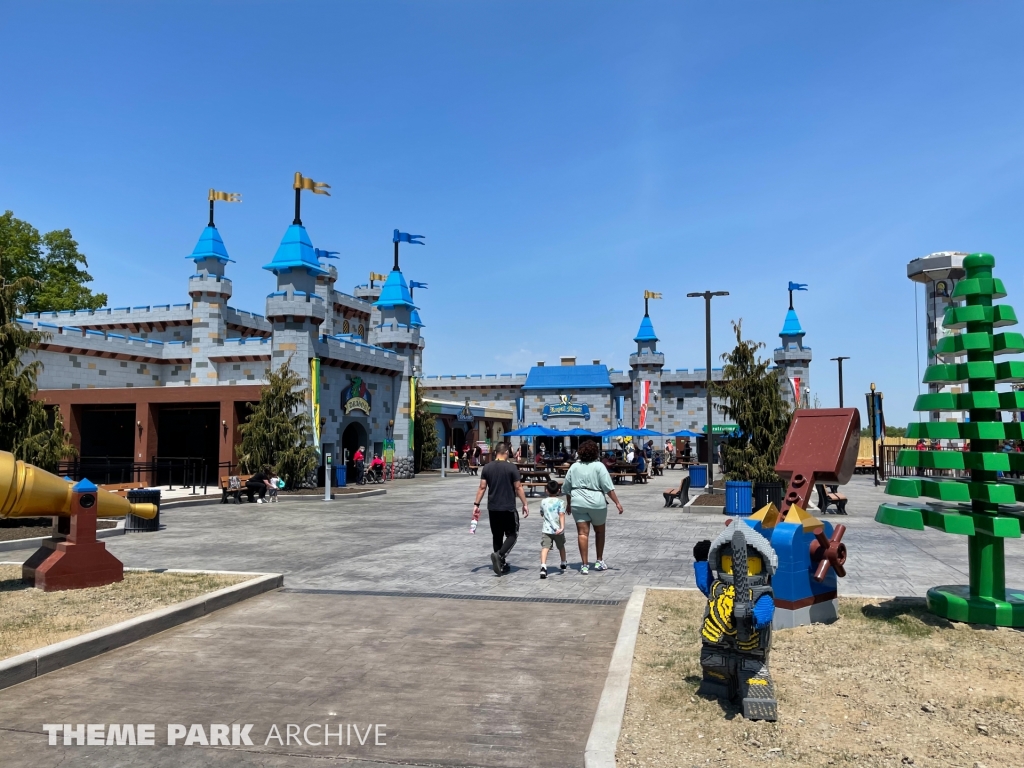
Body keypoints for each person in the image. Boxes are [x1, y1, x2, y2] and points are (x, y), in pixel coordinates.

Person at [562, 440, 624, 574]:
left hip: (578, 502)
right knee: (600, 532)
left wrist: (569, 504)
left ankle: (584, 565)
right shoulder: (599, 466)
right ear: (595, 453)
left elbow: (567, 488)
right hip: (597, 502)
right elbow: (608, 487)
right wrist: (617, 503)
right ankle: (599, 560)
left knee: (582, 533)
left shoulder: (574, 467)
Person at [472, 442, 530, 576]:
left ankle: (501, 564)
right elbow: (518, 487)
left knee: (497, 536)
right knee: (512, 534)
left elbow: (482, 487)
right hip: (508, 508)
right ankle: (500, 555)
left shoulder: (487, 467)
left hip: (493, 508)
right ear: (506, 453)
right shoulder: (511, 468)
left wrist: (476, 504)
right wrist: (525, 504)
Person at [538, 480, 568, 579]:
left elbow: (542, 513)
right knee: (561, 546)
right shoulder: (561, 502)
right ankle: (563, 562)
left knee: (545, 548)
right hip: (558, 530)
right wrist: (562, 527)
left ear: (547, 490)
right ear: (559, 490)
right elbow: (561, 515)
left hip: (546, 530)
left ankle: (543, 567)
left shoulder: (543, 501)